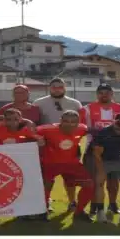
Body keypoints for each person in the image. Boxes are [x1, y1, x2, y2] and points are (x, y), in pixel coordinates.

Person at [85, 113, 120, 222]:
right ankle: (100, 213)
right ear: (113, 122)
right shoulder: (103, 133)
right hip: (98, 158)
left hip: (116, 158)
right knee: (99, 182)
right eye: (118, 124)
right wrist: (101, 171)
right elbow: (97, 154)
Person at [36, 111, 94, 222]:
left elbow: (97, 131)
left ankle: (79, 211)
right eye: (66, 121)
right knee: (46, 184)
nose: (70, 124)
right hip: (50, 163)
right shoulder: (47, 129)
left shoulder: (82, 129)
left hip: (71, 164)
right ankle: (42, 211)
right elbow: (30, 130)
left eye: (73, 122)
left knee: (89, 184)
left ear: (78, 123)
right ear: (60, 121)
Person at [34, 78, 83, 209]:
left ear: (65, 88)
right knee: (47, 176)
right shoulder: (39, 103)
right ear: (49, 88)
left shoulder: (75, 103)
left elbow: (81, 124)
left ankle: (72, 201)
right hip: (48, 145)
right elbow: (35, 124)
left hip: (69, 144)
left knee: (70, 175)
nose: (57, 89)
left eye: (60, 87)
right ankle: (46, 200)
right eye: (54, 87)